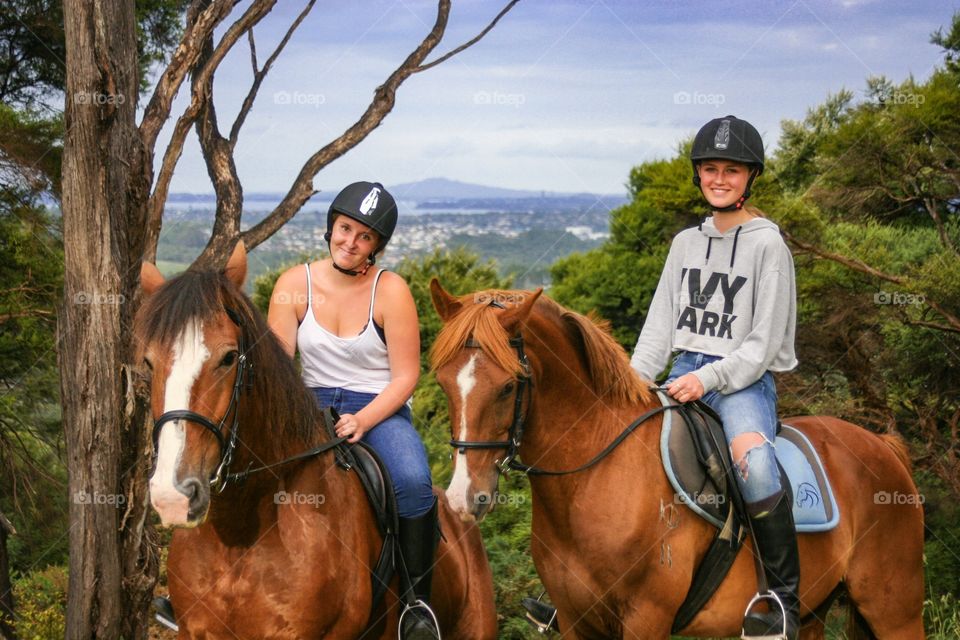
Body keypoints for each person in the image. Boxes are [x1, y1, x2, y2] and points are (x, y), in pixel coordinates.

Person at [630, 115, 800, 639]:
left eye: (731, 170)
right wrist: (630, 383)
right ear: (698, 175)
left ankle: (781, 601)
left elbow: (763, 344)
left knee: (754, 464)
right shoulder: (684, 243)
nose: (719, 179)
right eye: (710, 169)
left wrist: (708, 381)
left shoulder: (769, 245)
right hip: (681, 370)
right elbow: (660, 327)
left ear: (750, 177)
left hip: (742, 384)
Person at [267, 181, 440, 640]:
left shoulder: (392, 290)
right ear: (331, 228)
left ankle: (416, 605)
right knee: (244, 460)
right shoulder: (293, 285)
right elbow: (279, 368)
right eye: (345, 229)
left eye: (365, 237)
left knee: (412, 481)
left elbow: (406, 376)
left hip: (377, 408)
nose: (351, 242)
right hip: (306, 403)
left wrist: (365, 420)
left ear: (376, 246)